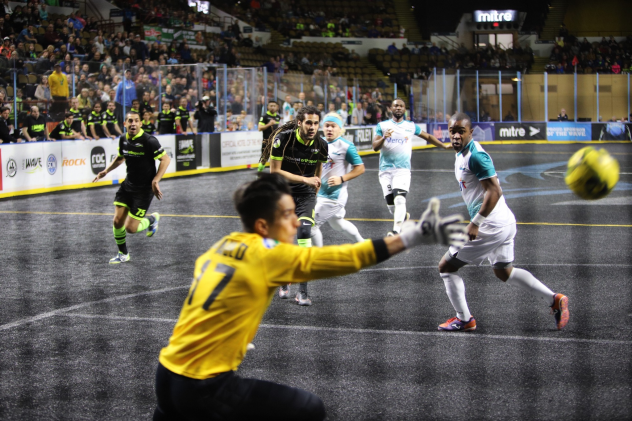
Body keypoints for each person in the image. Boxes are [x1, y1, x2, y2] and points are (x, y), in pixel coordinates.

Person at [153, 173, 467, 421]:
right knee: (309, 409)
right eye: (288, 215)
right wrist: (411, 236)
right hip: (204, 385)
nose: (295, 221)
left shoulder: (219, 247)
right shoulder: (270, 255)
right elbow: (348, 258)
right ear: (263, 225)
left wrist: (230, 332)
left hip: (166, 375)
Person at [436, 113, 570, 332]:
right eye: (453, 131)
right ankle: (555, 299)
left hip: (490, 226)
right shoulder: (461, 152)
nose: (456, 135)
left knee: (446, 267)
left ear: (471, 132)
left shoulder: (476, 156)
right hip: (504, 222)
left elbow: (495, 190)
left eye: (461, 131)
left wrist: (476, 222)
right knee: (503, 271)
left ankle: (464, 319)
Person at [258, 106, 328, 305]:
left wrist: (313, 190)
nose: (313, 127)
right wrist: (305, 180)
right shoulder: (283, 139)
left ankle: (303, 292)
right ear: (299, 123)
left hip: (306, 195)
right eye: (308, 122)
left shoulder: (321, 144)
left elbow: (318, 169)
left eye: (316, 123)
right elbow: (275, 172)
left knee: (304, 234)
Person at [92, 110, 171, 264]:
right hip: (128, 185)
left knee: (131, 229)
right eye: (130, 121)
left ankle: (151, 220)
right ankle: (123, 254)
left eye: (136, 120)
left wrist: (155, 181)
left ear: (141, 123)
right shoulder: (123, 139)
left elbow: (165, 160)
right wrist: (106, 171)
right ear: (125, 123)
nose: (133, 123)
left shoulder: (149, 140)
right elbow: (121, 158)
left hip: (144, 190)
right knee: (117, 221)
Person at [372, 98, 451, 235]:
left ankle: (396, 231)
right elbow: (374, 148)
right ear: (391, 109)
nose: (398, 108)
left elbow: (428, 136)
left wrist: (443, 145)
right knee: (392, 207)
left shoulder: (411, 126)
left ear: (404, 110)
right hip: (385, 171)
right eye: (396, 105)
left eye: (401, 106)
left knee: (400, 199)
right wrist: (384, 137)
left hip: (402, 170)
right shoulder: (383, 126)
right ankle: (404, 217)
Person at [310, 113, 365, 248]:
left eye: (333, 126)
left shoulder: (346, 146)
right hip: (320, 193)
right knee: (337, 223)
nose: (329, 129)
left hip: (334, 196)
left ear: (340, 129)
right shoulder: (318, 142)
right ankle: (364, 245)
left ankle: (316, 259)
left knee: (310, 226)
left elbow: (360, 168)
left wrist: (342, 178)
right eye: (327, 126)